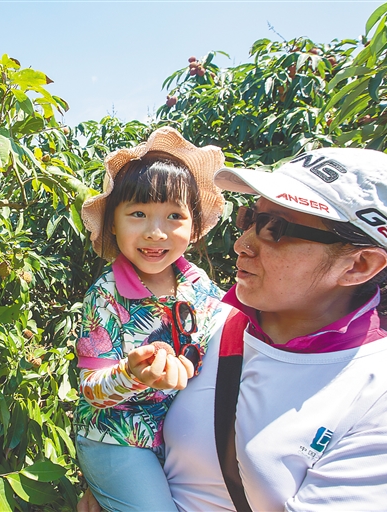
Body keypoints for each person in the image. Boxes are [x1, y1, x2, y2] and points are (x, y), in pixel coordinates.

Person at [78, 147, 387, 511]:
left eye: (275, 229)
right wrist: (117, 477)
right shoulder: (212, 324)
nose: (241, 244)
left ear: (358, 265)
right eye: (251, 218)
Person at [74, 127, 230, 512]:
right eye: (138, 214)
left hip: (179, 439)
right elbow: (91, 390)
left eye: (174, 216)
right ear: (113, 223)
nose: (155, 232)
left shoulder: (199, 284)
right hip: (116, 438)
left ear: (194, 227)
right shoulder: (106, 294)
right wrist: (132, 374)